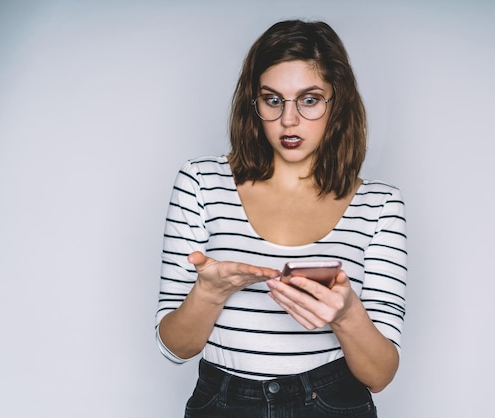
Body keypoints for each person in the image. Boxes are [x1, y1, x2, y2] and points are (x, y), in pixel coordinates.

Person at [155, 19, 408, 418]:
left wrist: (345, 315)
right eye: (273, 100)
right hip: (223, 403)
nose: (289, 120)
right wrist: (209, 294)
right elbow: (175, 347)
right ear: (253, 104)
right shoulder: (201, 182)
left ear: (336, 103)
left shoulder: (379, 204)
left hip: (331, 401)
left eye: (309, 100)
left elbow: (379, 374)